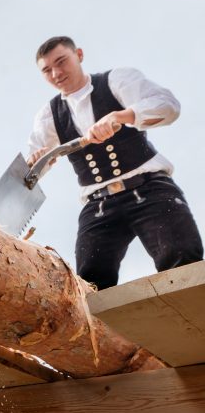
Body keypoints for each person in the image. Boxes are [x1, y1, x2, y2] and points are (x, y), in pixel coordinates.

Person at [27, 35, 203, 290]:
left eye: (61, 61)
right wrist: (38, 159)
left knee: (185, 264)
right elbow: (35, 162)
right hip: (99, 204)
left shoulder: (116, 80)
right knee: (89, 286)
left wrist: (122, 115)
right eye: (46, 70)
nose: (56, 73)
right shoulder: (48, 114)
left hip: (150, 189)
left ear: (79, 54)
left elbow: (168, 106)